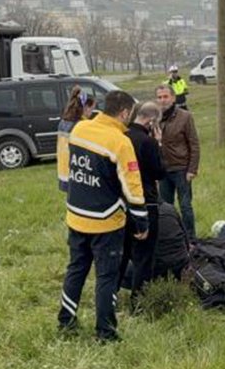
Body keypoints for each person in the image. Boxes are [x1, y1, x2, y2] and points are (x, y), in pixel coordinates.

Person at [57, 90, 148, 342]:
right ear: (125, 113)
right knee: (107, 277)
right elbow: (133, 187)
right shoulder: (120, 142)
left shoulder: (80, 129)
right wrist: (141, 222)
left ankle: (66, 321)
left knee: (76, 269)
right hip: (106, 222)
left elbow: (69, 168)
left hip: (76, 215)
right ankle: (105, 332)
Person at [123, 101, 164, 304]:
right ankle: (138, 301)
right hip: (146, 201)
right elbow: (159, 171)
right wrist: (159, 143)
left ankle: (112, 295)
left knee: (123, 253)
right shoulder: (148, 142)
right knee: (144, 255)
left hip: (122, 202)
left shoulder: (123, 136)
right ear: (152, 121)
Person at [154, 84, 200, 240]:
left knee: (185, 206)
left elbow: (193, 143)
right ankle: (172, 238)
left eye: (165, 96)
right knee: (166, 208)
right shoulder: (154, 118)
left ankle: (191, 238)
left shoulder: (185, 116)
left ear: (173, 98)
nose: (162, 100)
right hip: (162, 171)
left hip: (181, 169)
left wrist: (192, 169)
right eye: (159, 97)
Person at [57, 85, 96, 193]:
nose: (91, 113)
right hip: (77, 174)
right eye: (91, 109)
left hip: (64, 171)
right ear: (85, 108)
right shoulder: (82, 125)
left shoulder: (63, 122)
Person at [153, 202, 191, 281]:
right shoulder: (170, 208)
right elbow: (186, 241)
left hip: (158, 269)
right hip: (181, 264)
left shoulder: (138, 216)